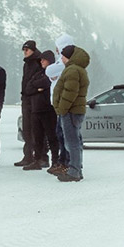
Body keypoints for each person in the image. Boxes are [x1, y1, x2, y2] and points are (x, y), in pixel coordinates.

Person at [52, 44, 90, 182]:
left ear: (69, 57)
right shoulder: (77, 69)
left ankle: (74, 171)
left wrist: (61, 109)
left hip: (70, 111)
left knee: (71, 142)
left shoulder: (72, 70)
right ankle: (77, 169)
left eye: (63, 55)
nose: (61, 58)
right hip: (75, 111)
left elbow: (70, 92)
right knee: (75, 141)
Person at [24, 50, 60, 171]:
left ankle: (55, 161)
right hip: (36, 110)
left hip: (48, 110)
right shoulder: (39, 73)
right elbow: (28, 88)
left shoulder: (54, 72)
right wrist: (38, 88)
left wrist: (39, 86)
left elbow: (49, 83)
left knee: (52, 137)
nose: (41, 62)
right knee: (37, 138)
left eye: (43, 60)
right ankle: (37, 160)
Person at [47, 34, 73, 175]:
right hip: (59, 103)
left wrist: (52, 73)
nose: (56, 50)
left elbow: (49, 71)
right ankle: (62, 162)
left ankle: (68, 164)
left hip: (66, 103)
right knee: (60, 134)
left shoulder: (66, 62)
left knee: (66, 136)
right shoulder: (60, 62)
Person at [15, 40, 43, 166]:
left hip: (35, 100)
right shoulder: (26, 63)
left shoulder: (38, 61)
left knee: (37, 129)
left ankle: (40, 156)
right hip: (26, 99)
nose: (24, 52)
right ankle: (28, 156)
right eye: (23, 50)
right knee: (26, 129)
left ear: (32, 50)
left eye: (27, 50)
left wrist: (30, 90)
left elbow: (37, 80)